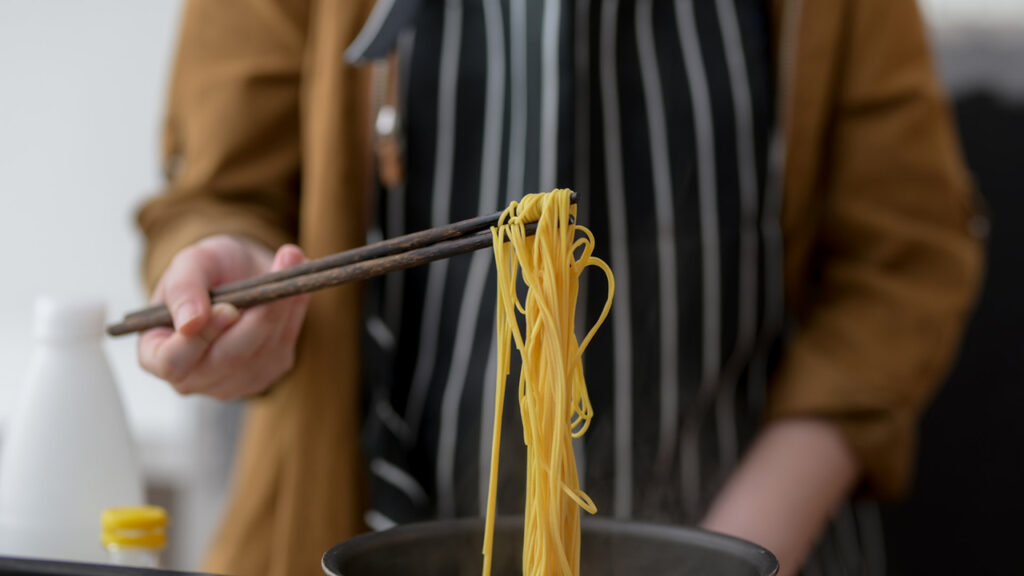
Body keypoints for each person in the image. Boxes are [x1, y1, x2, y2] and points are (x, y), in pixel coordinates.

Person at [136, 0, 982, 574]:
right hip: (363, 528)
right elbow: (219, 186)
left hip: (759, 531)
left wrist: (733, 550)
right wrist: (233, 273)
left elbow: (906, 255)